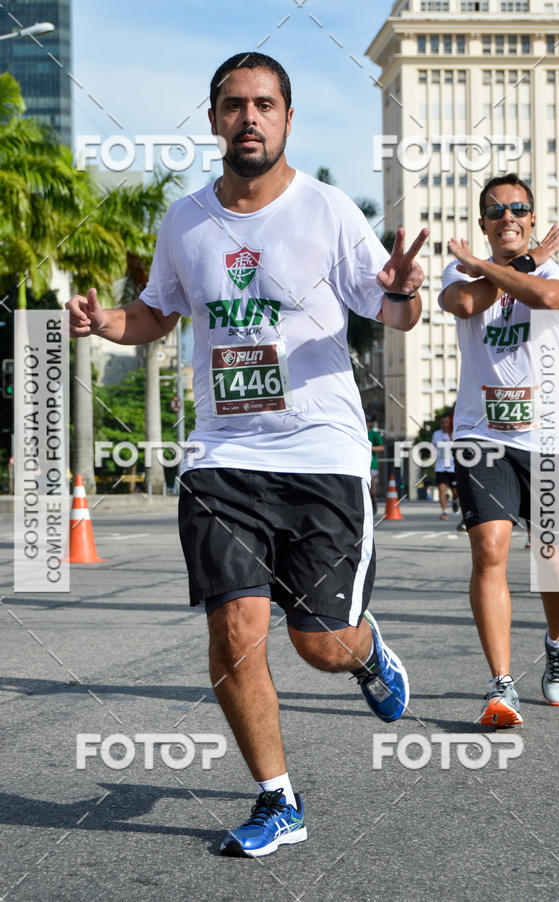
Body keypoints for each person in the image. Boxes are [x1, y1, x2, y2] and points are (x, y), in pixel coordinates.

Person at [67, 53, 428, 857]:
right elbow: (157, 314)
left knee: (321, 643)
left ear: (289, 118)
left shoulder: (329, 210)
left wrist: (401, 287)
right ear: (213, 119)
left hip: (323, 456)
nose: (250, 119)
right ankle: (278, 799)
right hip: (222, 456)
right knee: (235, 633)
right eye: (234, 106)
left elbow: (394, 314)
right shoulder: (184, 220)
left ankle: (367, 652)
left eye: (265, 105)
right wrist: (105, 325)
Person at [439, 173, 559, 727]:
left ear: (530, 217)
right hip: (483, 436)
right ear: (483, 223)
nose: (508, 218)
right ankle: (501, 686)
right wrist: (512, 265)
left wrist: (511, 267)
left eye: (517, 209)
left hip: (550, 437)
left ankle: (556, 641)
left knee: (552, 563)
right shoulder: (463, 272)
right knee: (490, 548)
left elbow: (547, 297)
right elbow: (467, 302)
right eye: (496, 211)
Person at [431, 413, 459, 520]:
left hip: (453, 468)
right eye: (442, 422)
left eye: (446, 422)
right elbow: (433, 447)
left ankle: (455, 500)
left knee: (455, 492)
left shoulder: (455, 434)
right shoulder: (436, 434)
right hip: (440, 468)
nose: (444, 425)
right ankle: (444, 512)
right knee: (441, 489)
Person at [366, 414, 384, 512]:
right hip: (361, 464)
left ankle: (373, 502)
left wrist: (371, 448)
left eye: (367, 421)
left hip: (371, 464)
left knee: (371, 488)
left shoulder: (373, 434)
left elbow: (382, 447)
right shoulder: (358, 432)